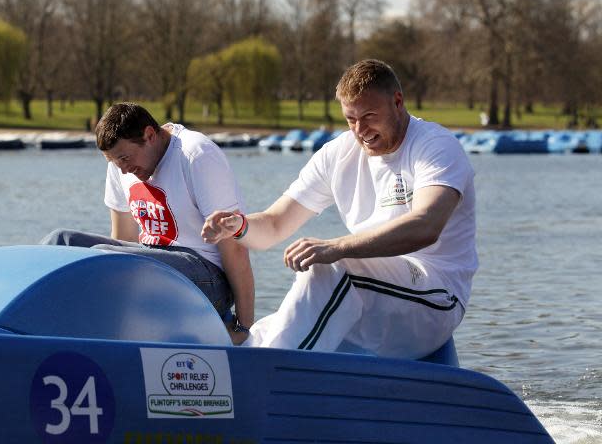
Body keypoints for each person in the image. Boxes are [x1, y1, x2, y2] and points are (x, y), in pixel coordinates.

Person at [202, 59, 477, 358]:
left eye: (370, 116)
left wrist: (337, 247)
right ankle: (231, 378)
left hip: (436, 298)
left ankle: (268, 376)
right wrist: (238, 226)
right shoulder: (337, 154)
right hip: (375, 298)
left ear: (397, 101)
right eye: (350, 119)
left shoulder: (435, 146)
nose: (361, 130)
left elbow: (426, 226)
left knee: (329, 266)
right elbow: (274, 226)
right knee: (267, 329)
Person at [41, 102, 254, 344]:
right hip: (154, 265)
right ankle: (27, 330)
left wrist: (244, 327)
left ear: (149, 135)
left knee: (103, 259)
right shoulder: (122, 166)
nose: (123, 171)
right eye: (114, 163)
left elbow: (235, 247)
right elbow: (123, 239)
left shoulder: (197, 156)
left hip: (209, 278)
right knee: (60, 241)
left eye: (124, 158)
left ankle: (68, 338)